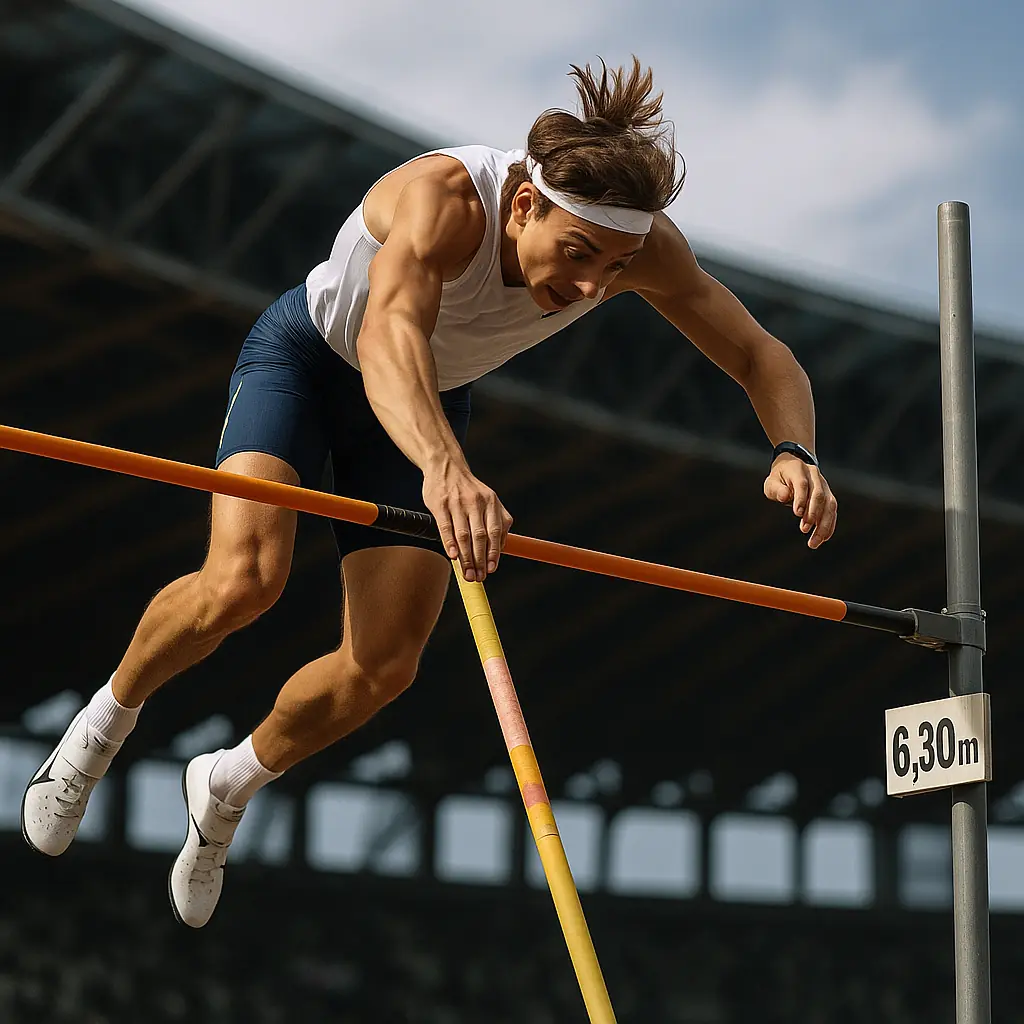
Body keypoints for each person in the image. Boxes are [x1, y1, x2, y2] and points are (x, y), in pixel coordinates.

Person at [21, 58, 837, 927]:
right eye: (579, 255)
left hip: (425, 404)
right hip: (311, 363)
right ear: (523, 206)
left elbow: (760, 353)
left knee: (384, 666)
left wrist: (794, 448)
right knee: (243, 581)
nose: (594, 288)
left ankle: (225, 784)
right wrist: (445, 467)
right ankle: (100, 728)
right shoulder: (446, 200)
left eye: (617, 266)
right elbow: (387, 335)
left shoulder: (643, 251)